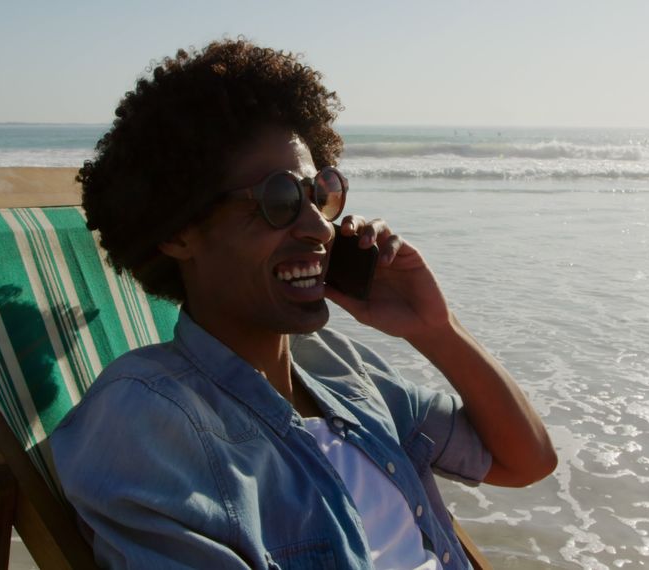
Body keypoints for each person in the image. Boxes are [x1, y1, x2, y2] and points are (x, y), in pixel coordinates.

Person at [49, 39, 557, 569]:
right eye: (279, 200)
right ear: (179, 232)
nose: (319, 227)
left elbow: (525, 461)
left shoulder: (337, 368)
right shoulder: (149, 419)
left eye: (320, 193)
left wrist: (435, 328)